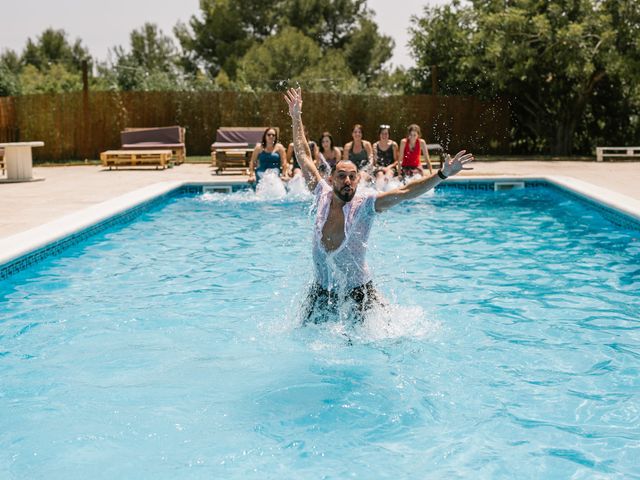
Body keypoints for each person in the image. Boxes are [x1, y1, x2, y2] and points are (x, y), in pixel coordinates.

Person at [284, 87, 474, 323]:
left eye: (352, 176)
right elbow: (303, 155)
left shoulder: (366, 205)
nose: (347, 181)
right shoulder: (321, 193)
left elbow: (405, 192)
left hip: (358, 292)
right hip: (323, 290)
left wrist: (442, 174)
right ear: (331, 179)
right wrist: (296, 117)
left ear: (358, 180)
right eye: (341, 176)